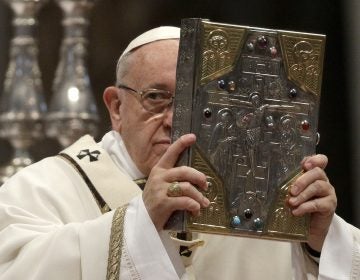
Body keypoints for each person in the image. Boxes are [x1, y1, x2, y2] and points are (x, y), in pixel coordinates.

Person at [0, 26, 359, 280]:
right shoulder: (46, 187)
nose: (176, 121)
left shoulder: (260, 194)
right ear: (116, 107)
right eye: (156, 97)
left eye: (195, 104)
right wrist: (141, 222)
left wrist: (321, 243)